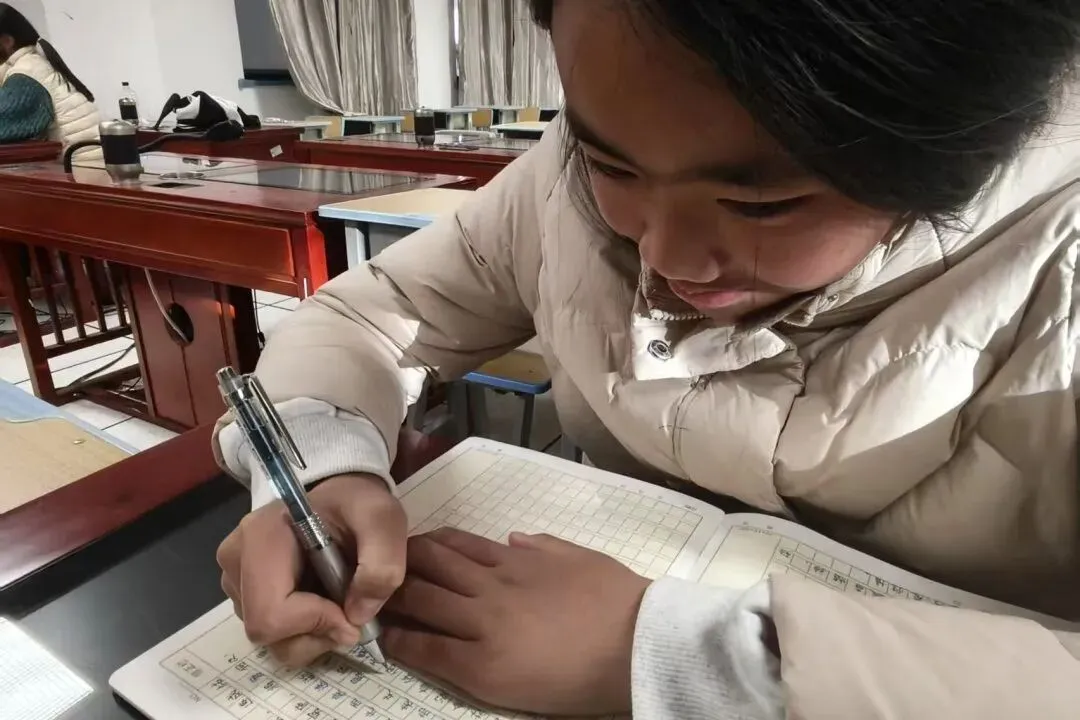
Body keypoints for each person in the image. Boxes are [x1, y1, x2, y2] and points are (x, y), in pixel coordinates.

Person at [214, 0, 1080, 717]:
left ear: (953, 153)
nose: (665, 258)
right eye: (612, 167)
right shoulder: (559, 181)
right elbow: (371, 316)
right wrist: (325, 468)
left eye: (762, 204)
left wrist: (677, 660)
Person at [0, 3, 98, 147]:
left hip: (78, 160)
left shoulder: (26, 76)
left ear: (7, 41)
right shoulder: (33, 62)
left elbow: (4, 126)